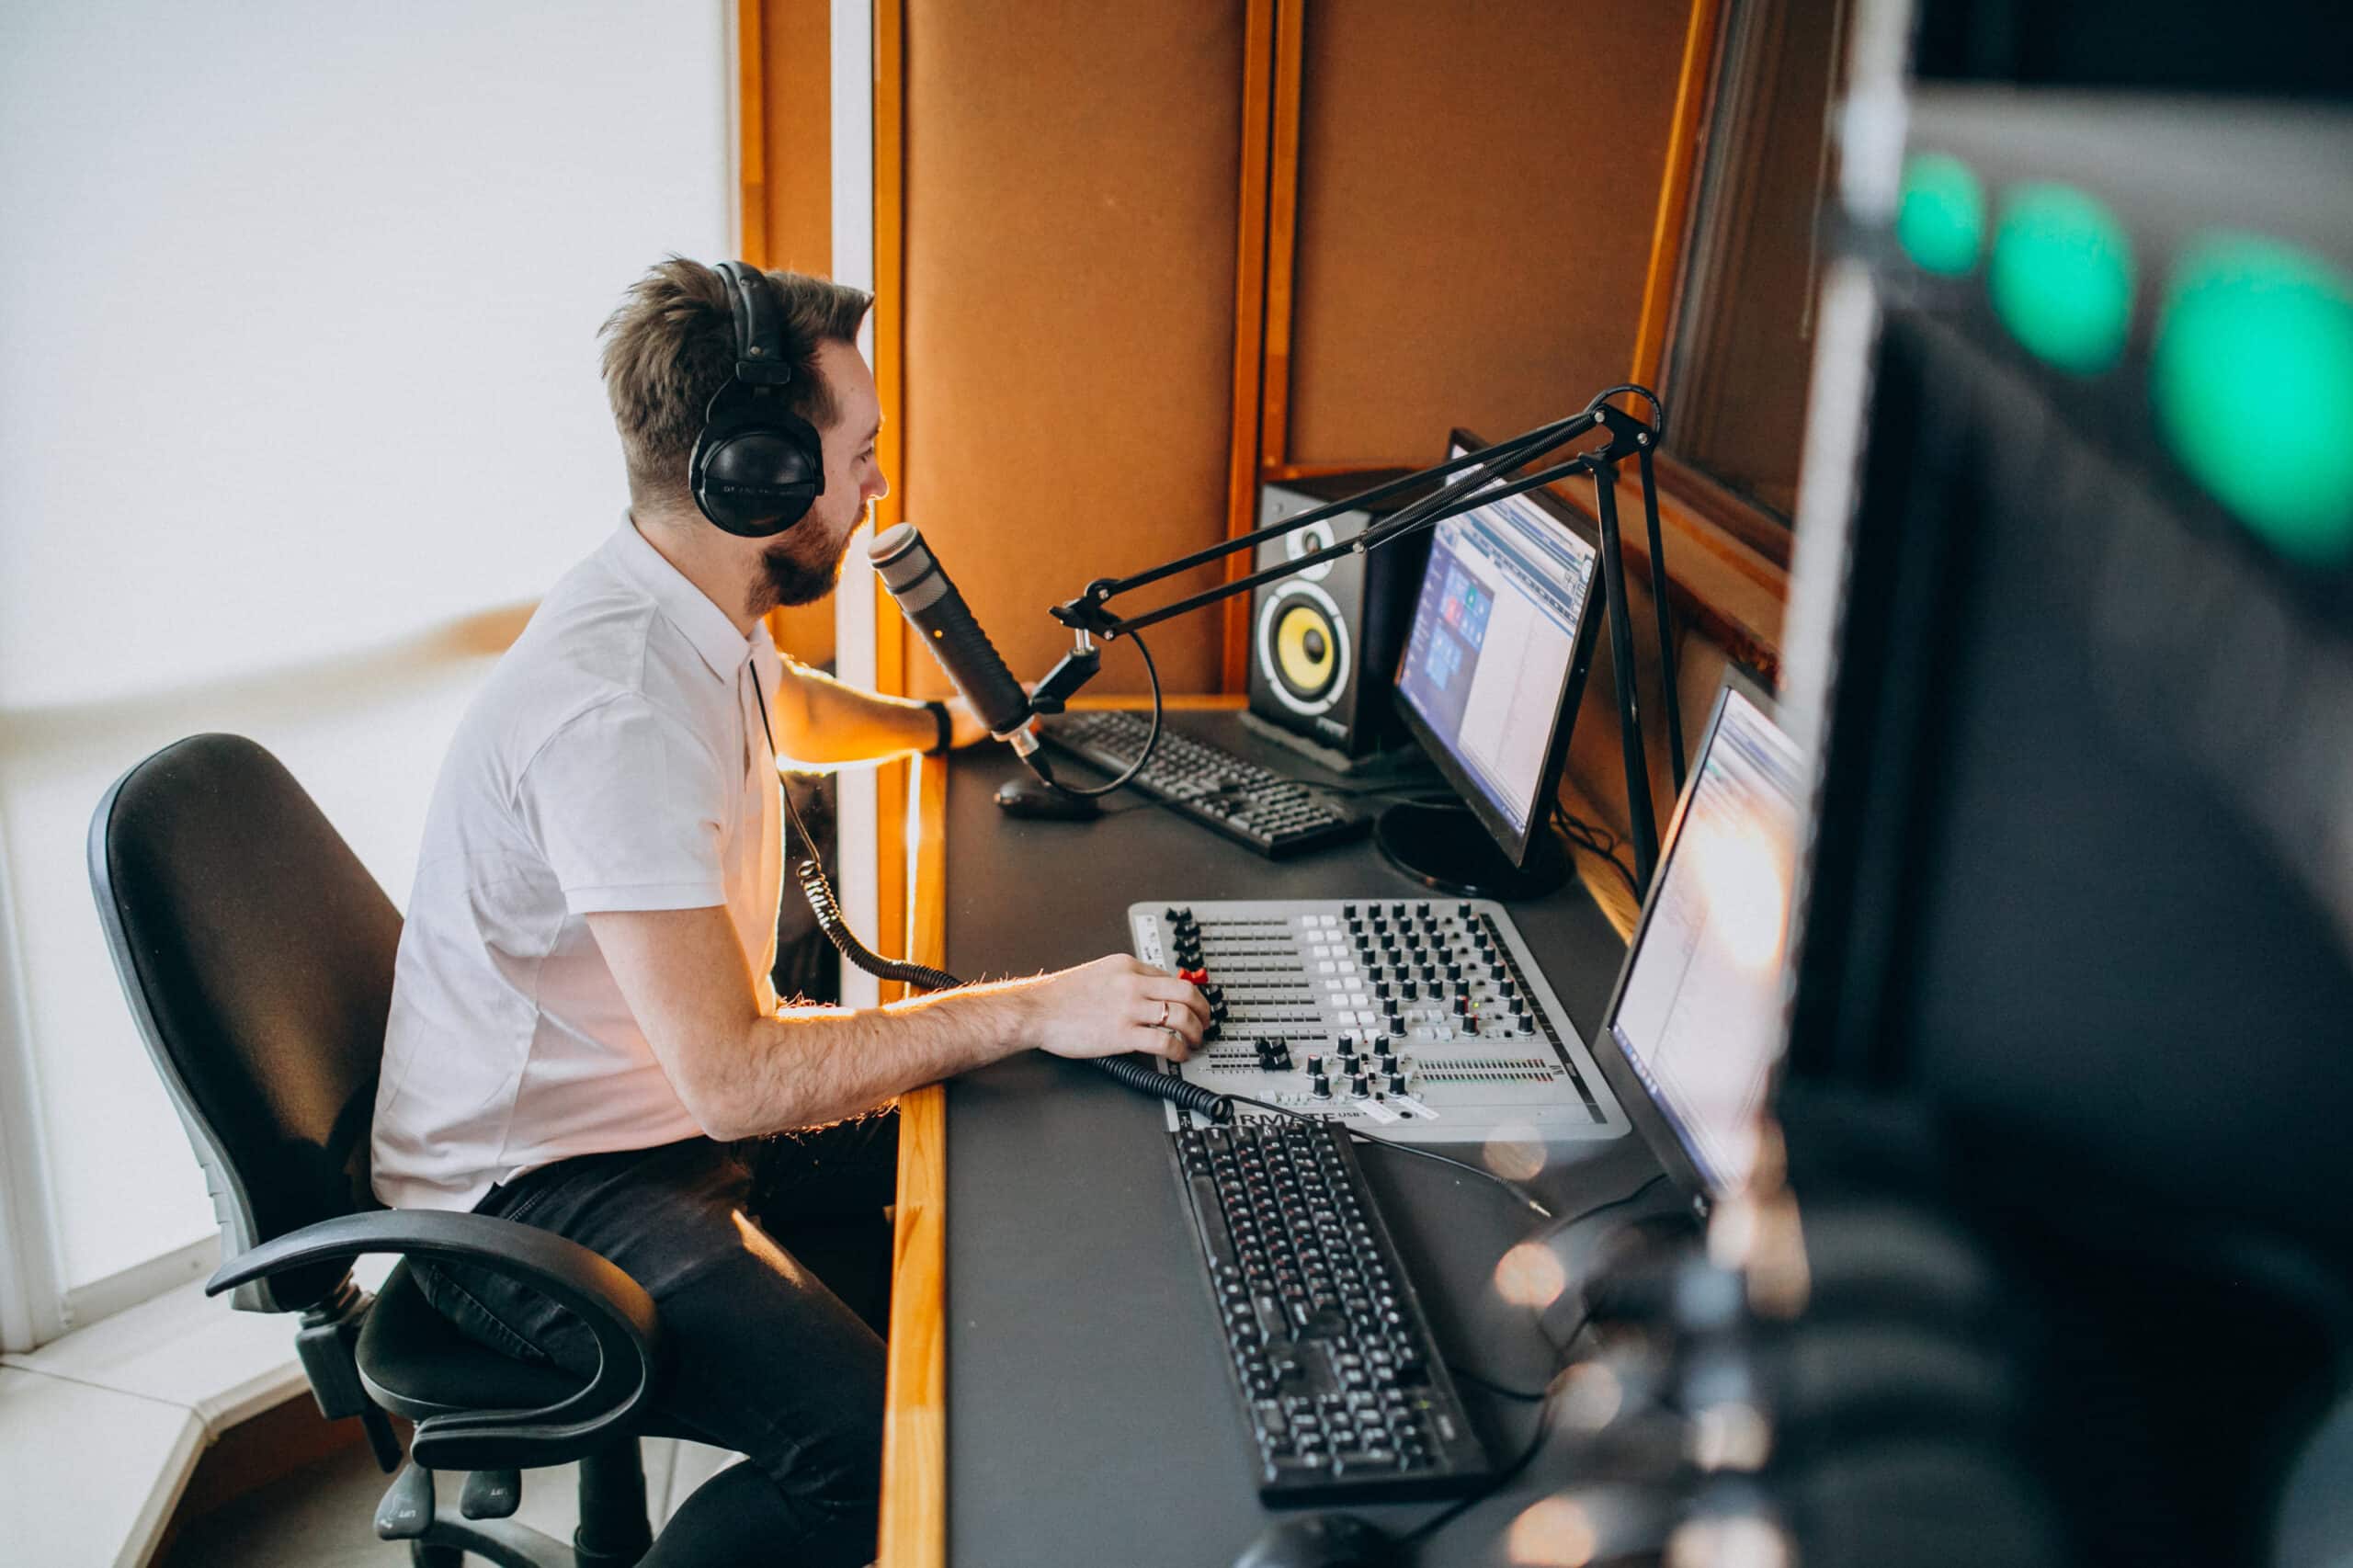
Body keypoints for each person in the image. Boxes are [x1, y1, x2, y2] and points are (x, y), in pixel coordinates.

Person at [369, 257, 1207, 1566]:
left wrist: (943, 727)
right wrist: (1039, 1002)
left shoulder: (692, 593)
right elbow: (741, 1081)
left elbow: (789, 701)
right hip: (532, 1200)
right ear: (753, 471)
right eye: (859, 452)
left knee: (1010, 1160)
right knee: (871, 1460)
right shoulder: (618, 706)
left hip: (642, 1109)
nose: (879, 484)